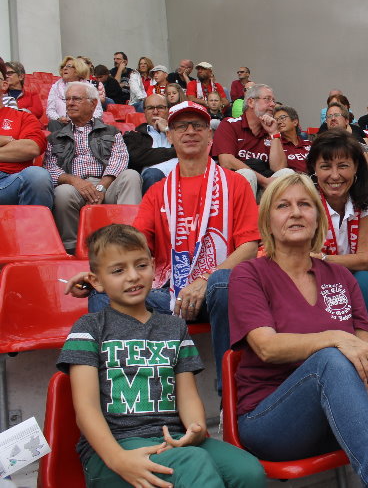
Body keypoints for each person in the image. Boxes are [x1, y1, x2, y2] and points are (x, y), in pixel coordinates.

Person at [228, 172, 368, 488]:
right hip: (271, 420)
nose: (295, 212)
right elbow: (266, 347)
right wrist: (334, 338)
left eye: (304, 205)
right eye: (283, 206)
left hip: (341, 410)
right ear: (267, 222)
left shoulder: (341, 277)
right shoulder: (248, 275)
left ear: (318, 219)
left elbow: (365, 347)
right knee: (330, 359)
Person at [66, 101, 260, 395]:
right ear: (169, 136)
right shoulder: (158, 191)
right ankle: (125, 396)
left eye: (198, 126)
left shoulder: (235, 184)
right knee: (103, 295)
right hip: (172, 294)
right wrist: (99, 275)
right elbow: (134, 246)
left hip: (218, 297)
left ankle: (230, 399)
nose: (190, 131)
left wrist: (205, 281)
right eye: (181, 126)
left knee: (223, 285)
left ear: (210, 135)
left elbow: (249, 247)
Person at [57, 224, 265, 488]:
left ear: (154, 267)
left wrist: (196, 428)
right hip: (114, 449)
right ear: (96, 281)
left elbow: (187, 395)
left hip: (172, 440)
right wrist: (117, 458)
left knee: (248, 471)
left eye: (141, 265)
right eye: (118, 270)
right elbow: (85, 409)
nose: (133, 276)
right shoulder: (89, 328)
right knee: (193, 464)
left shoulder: (175, 327)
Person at [44, 82, 141, 253]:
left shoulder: (111, 132)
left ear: (93, 103)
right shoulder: (56, 137)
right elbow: (50, 167)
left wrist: (102, 186)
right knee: (62, 192)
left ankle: (130, 241)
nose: (70, 103)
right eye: (67, 99)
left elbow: (119, 158)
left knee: (131, 176)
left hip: (107, 185)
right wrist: (75, 181)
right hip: (75, 188)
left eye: (76, 99)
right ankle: (72, 248)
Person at [307, 130, 368, 325]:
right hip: (312, 277)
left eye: (343, 166)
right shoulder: (304, 198)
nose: (334, 175)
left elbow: (365, 260)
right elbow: (303, 261)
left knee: (365, 280)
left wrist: (324, 259)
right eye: (325, 166)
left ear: (356, 167)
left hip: (352, 274)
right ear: (314, 168)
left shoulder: (365, 196)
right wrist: (347, 262)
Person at [212, 84, 287, 198]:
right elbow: (226, 162)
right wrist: (264, 181)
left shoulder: (271, 129)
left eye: (273, 100)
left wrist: (274, 133)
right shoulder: (230, 124)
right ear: (251, 102)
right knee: (247, 174)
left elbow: (279, 168)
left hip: (265, 186)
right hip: (237, 186)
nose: (273, 104)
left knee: (287, 174)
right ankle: (247, 210)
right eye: (267, 99)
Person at [0, 57, 53, 207]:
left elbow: (31, 148)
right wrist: (7, 141)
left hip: (8, 182)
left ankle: (33, 223)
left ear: (4, 85)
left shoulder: (24, 117)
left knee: (38, 176)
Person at [124, 94, 178, 194]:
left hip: (180, 175)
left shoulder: (179, 132)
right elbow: (136, 157)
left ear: (168, 110)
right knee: (153, 174)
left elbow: (191, 149)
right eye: (150, 108)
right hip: (152, 178)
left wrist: (167, 130)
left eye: (160, 107)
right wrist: (176, 151)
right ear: (144, 112)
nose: (155, 112)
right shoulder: (134, 135)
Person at [46, 56, 103, 130]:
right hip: (64, 124)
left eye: (69, 66)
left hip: (85, 123)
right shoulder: (55, 87)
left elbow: (98, 111)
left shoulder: (89, 87)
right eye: (63, 66)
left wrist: (87, 120)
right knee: (53, 123)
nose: (65, 68)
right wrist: (58, 118)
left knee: (98, 123)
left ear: (78, 70)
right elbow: (50, 111)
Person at [273, 105, 311, 173]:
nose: (279, 122)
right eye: (276, 119)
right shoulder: (276, 146)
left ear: (295, 122)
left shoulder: (309, 144)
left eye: (282, 118)